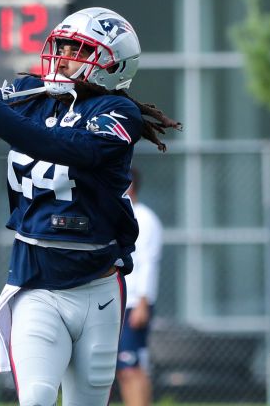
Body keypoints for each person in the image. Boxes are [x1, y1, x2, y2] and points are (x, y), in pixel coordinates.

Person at [0, 7, 181, 406]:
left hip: (98, 289)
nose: (62, 56)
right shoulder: (32, 95)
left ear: (112, 63)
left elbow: (63, 147)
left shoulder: (119, 113)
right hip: (37, 283)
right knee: (35, 399)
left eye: (77, 50)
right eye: (62, 46)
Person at [116, 168, 163, 406]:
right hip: (117, 302)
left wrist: (143, 303)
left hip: (134, 304)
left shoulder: (144, 219)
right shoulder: (118, 215)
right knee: (123, 369)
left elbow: (148, 262)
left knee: (132, 367)